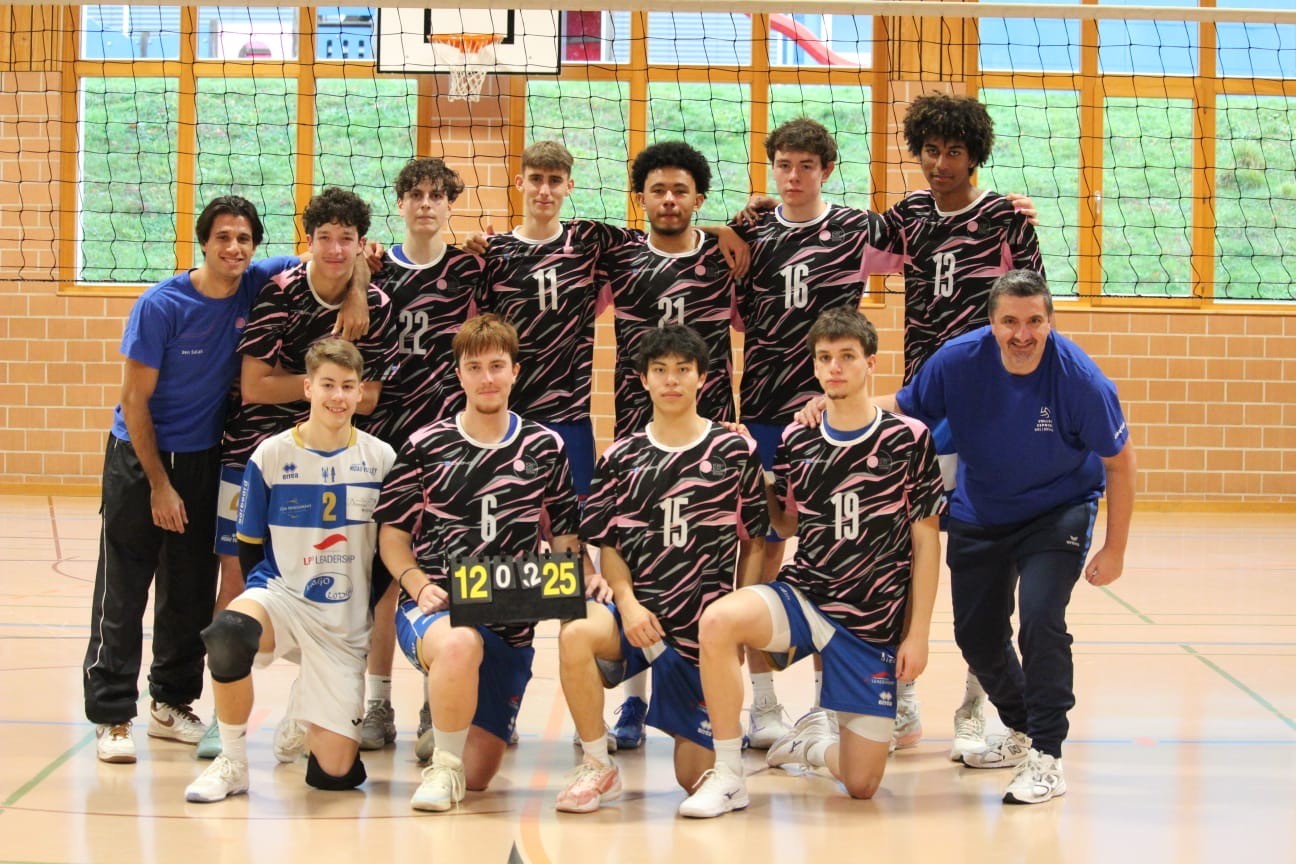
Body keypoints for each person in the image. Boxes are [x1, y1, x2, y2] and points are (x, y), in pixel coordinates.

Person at [678, 306, 943, 818]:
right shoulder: (797, 438)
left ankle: (809, 746)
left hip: (870, 622)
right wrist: (751, 462)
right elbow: (786, 526)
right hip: (807, 596)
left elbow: (927, 543)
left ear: (870, 362)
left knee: (862, 784)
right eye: (824, 358)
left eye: (847, 356)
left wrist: (918, 634)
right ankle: (729, 775)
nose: (834, 368)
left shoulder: (909, 438)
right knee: (718, 621)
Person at [884, 269, 1135, 804]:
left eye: (1035, 322)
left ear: (1050, 322)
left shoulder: (1081, 381)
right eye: (1010, 322)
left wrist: (1114, 548)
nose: (1023, 334)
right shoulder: (958, 361)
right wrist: (834, 403)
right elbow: (903, 409)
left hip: (1058, 510)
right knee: (976, 637)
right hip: (982, 510)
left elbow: (1120, 464)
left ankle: (1048, 755)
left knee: (1041, 620)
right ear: (992, 323)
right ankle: (1021, 728)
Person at [83, 196, 300, 765]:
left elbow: (323, 258)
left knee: (190, 589)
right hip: (142, 459)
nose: (234, 247)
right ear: (203, 242)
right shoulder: (161, 305)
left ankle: (170, 702)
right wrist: (158, 484)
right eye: (223, 237)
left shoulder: (255, 284)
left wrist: (362, 268)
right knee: (125, 588)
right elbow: (134, 401)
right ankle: (111, 714)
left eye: (244, 238)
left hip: (204, 459)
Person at [374, 314, 595, 812]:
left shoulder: (546, 446)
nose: (487, 378)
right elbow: (392, 537)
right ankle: (442, 768)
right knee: (460, 643)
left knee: (480, 776)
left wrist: (579, 580)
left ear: (515, 371)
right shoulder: (425, 445)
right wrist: (416, 583)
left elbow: (564, 535)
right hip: (437, 608)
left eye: (497, 366)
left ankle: (456, 740)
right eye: (475, 368)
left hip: (512, 617)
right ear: (459, 375)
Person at [727, 117, 900, 749]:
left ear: (826, 170)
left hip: (833, 416)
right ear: (772, 168)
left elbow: (935, 232)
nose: (794, 176)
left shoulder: (857, 227)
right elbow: (695, 240)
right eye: (784, 165)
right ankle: (764, 705)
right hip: (764, 412)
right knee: (760, 549)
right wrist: (727, 224)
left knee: (836, 554)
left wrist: (1010, 208)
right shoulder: (753, 230)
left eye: (806, 166)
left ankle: (837, 705)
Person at [880, 92, 1045, 757]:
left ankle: (978, 704)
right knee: (902, 549)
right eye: (930, 150)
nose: (940, 163)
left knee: (985, 560)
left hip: (985, 410)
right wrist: (746, 219)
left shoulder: (1004, 218)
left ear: (974, 156)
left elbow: (1033, 311)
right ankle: (901, 694)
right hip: (922, 408)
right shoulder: (908, 216)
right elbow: (830, 237)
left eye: (954, 152)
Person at [556, 325, 766, 814]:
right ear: (643, 380)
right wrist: (627, 604)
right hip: (638, 619)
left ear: (702, 378)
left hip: (702, 632)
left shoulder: (735, 451)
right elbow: (609, 545)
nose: (671, 380)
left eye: (683, 370)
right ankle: (596, 763)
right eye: (660, 370)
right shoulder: (620, 457)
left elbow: (755, 541)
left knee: (695, 779)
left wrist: (737, 618)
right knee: (576, 632)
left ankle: (726, 752)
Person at [184, 339, 397, 802]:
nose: (337, 396)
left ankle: (305, 708)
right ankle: (233, 762)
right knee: (228, 634)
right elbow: (248, 545)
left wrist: (361, 608)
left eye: (347, 386)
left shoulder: (382, 459)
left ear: (360, 392)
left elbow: (388, 554)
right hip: (283, 597)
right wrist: (266, 594)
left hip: (343, 624)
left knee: (334, 776)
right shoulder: (271, 455)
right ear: (307, 388)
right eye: (328, 385)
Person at [592, 140, 746, 748]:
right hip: (639, 431)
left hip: (709, 434)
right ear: (641, 198)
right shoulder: (619, 254)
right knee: (637, 552)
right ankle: (633, 699)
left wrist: (735, 221)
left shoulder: (724, 255)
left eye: (681, 190)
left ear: (699, 198)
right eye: (657, 190)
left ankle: (729, 695)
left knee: (705, 561)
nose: (669, 200)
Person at [212, 187, 397, 635]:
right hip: (253, 449)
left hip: (331, 459)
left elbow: (370, 397)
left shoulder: (376, 305)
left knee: (337, 572)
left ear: (361, 245)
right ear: (308, 240)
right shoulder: (281, 292)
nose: (335, 249)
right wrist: (330, 389)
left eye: (347, 239)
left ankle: (336, 671)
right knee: (236, 575)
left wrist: (291, 382)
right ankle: (225, 672)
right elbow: (254, 387)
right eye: (325, 237)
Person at [358, 157, 485, 753]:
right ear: (401, 202)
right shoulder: (374, 268)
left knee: (448, 574)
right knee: (385, 581)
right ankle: (378, 703)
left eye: (438, 195)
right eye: (416, 194)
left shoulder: (468, 269)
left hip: (447, 448)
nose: (427, 204)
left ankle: (439, 705)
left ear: (450, 205)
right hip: (384, 443)